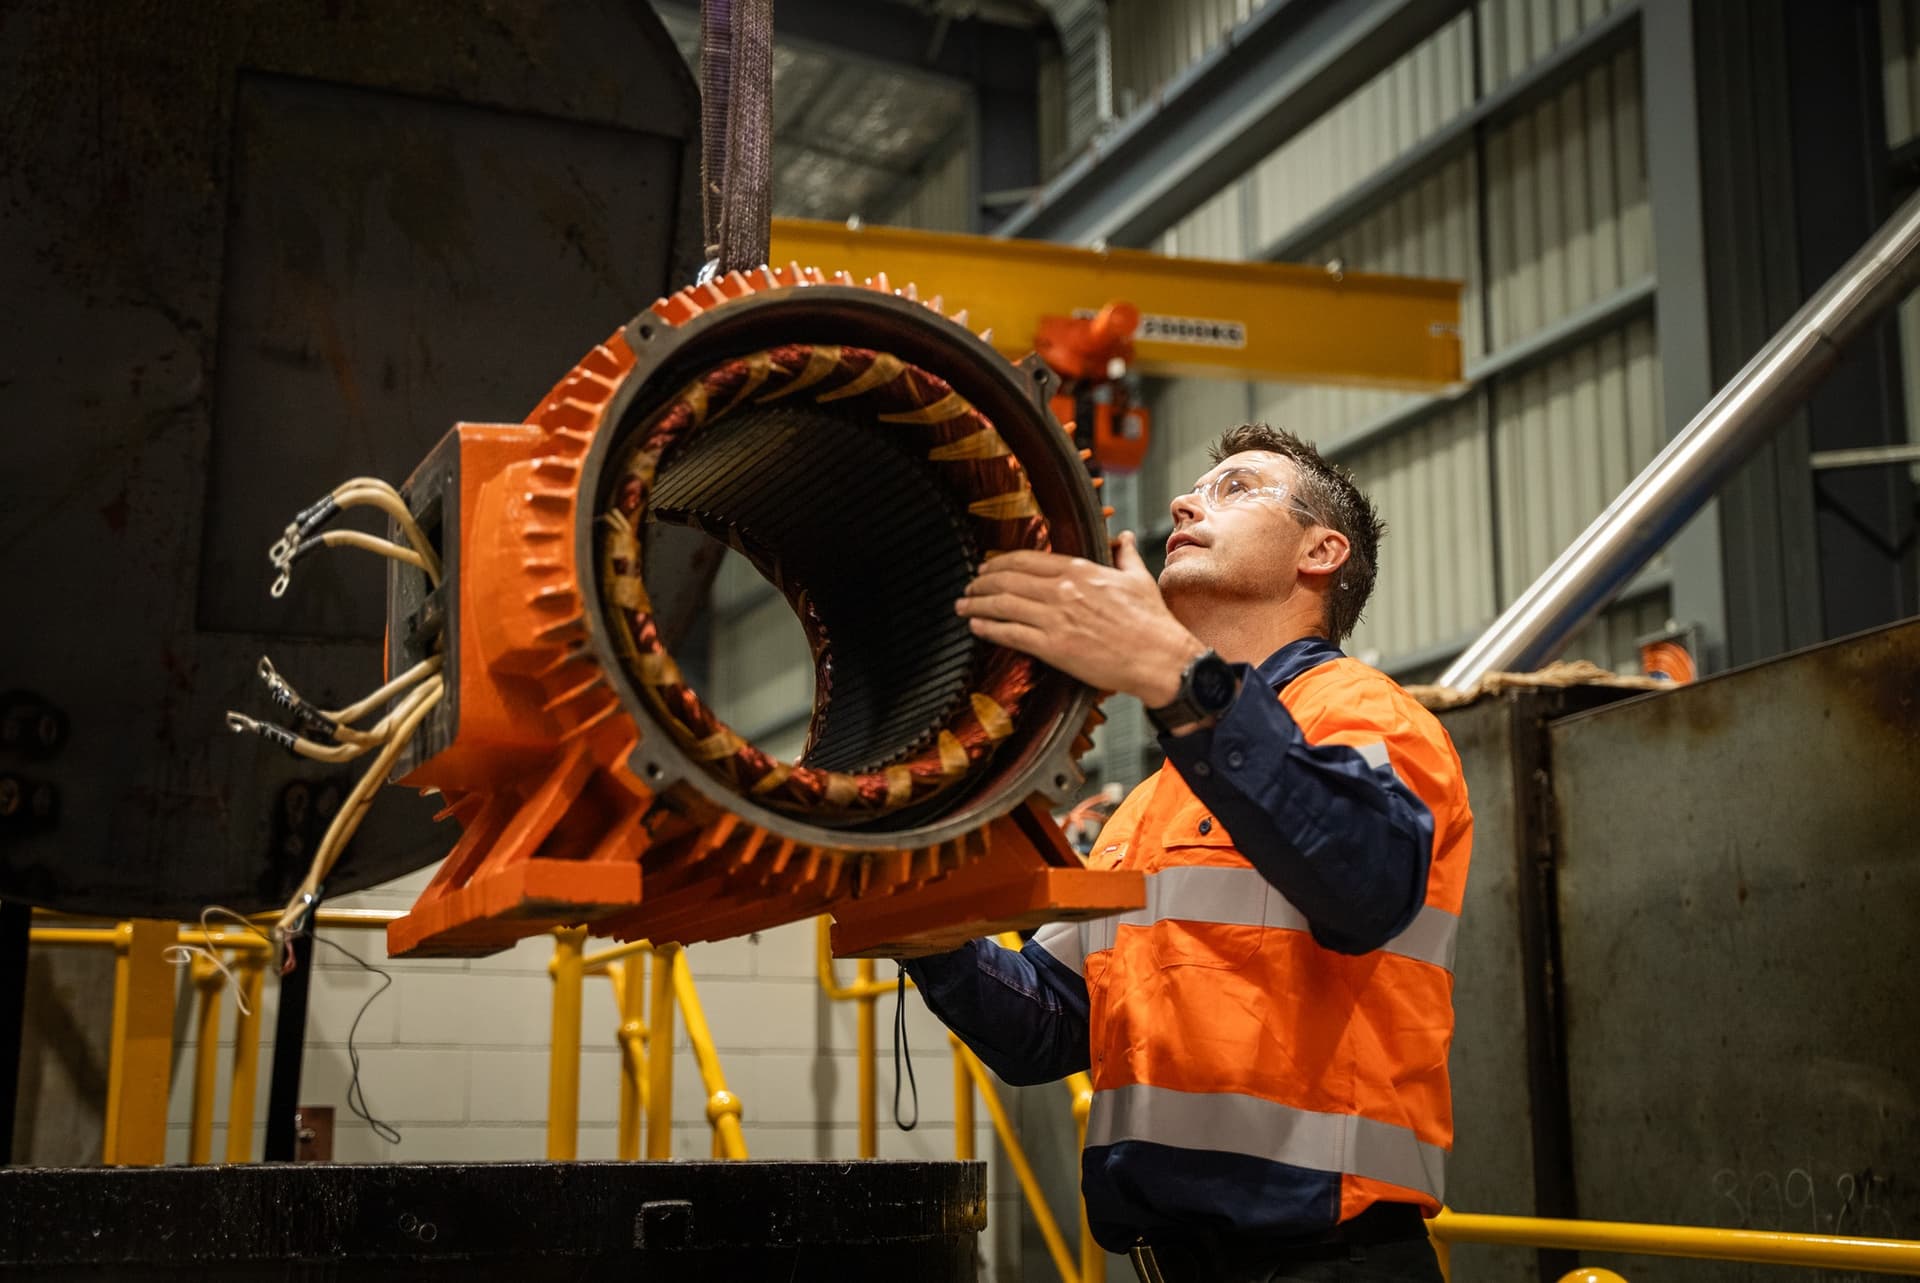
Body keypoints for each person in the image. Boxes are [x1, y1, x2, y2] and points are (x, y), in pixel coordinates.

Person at [907, 424, 1473, 1283]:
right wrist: (913, 911)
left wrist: (1177, 675)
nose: (1183, 502)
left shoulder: (1367, 715)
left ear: (1321, 552)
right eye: (1198, 489)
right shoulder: (1152, 803)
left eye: (1236, 488)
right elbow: (1045, 1024)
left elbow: (1363, 880)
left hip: (1327, 1265)